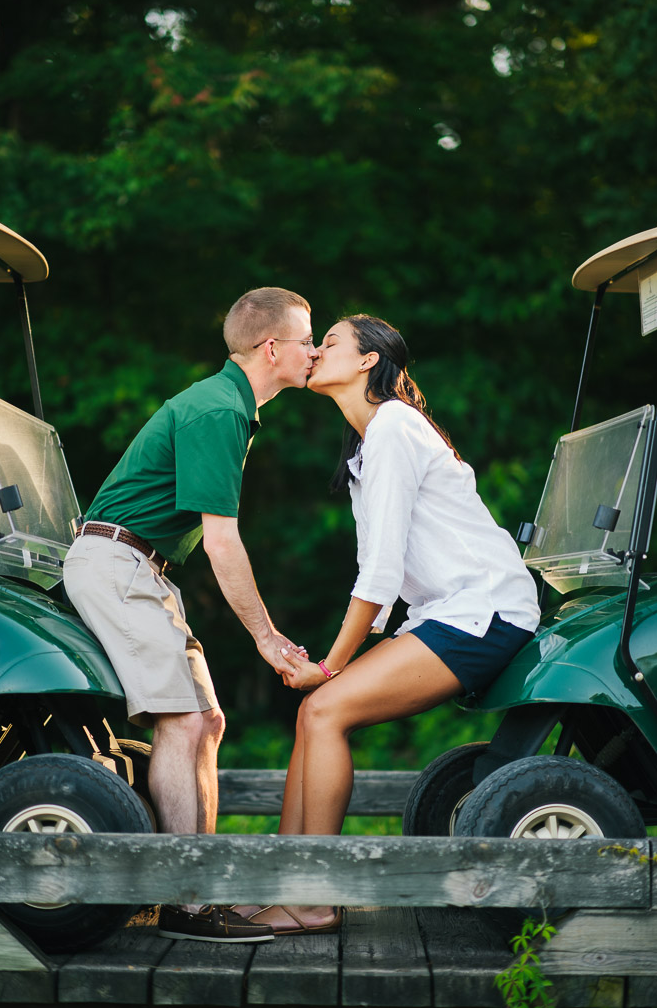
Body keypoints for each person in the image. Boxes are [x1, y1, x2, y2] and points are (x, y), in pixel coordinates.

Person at [243, 314, 540, 935]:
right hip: (448, 614)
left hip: (482, 613)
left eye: (329, 342)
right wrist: (334, 666)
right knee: (314, 712)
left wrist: (330, 664)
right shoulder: (369, 441)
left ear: (367, 362)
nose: (316, 350)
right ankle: (284, 882)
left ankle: (312, 899)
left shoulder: (394, 430)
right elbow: (379, 575)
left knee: (325, 709)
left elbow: (379, 574)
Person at [63, 286, 317, 943]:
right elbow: (223, 539)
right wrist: (265, 636)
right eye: (306, 339)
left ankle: (197, 887)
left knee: (206, 720)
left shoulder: (231, 405)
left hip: (140, 569)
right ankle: (186, 905)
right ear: (271, 348)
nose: (314, 351)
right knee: (182, 721)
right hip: (116, 565)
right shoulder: (216, 410)